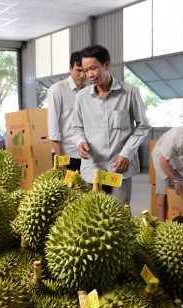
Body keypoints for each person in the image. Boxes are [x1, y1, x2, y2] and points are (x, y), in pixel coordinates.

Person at [71, 45, 150, 205]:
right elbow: (76, 127)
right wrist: (80, 141)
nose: (89, 75)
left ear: (107, 65)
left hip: (118, 168)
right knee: (91, 215)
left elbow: (143, 126)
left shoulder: (129, 92)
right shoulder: (82, 97)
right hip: (92, 167)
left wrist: (127, 153)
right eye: (86, 70)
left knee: (118, 215)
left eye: (93, 68)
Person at [47, 51, 87, 171]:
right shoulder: (57, 90)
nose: (82, 75)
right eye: (78, 70)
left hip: (86, 154)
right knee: (67, 189)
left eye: (85, 70)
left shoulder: (89, 92)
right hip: (66, 154)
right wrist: (60, 157)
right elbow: (53, 125)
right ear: (70, 68)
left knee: (85, 189)